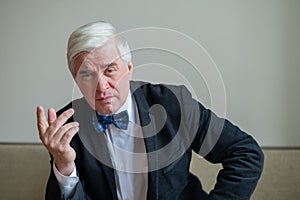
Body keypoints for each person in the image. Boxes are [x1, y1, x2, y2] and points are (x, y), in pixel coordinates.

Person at [36, 21, 264, 200]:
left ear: (129, 68)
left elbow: (246, 153)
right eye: (87, 74)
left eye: (110, 70)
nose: (101, 86)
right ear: (75, 79)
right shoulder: (66, 129)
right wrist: (64, 167)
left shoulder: (174, 105)